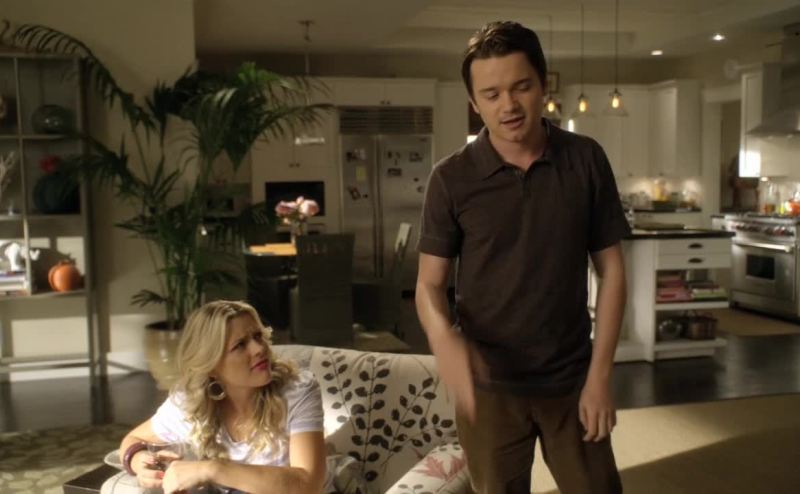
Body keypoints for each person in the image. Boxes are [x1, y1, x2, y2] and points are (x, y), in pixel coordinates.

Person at [415, 21, 629, 494]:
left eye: (521, 87)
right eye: (491, 95)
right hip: (489, 391)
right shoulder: (451, 178)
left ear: (543, 85)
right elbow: (429, 284)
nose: (508, 105)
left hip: (572, 378)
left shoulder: (586, 159)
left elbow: (612, 271)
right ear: (474, 103)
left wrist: (600, 377)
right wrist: (443, 336)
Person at [118, 300, 327, 494]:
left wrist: (211, 469)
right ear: (211, 365)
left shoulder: (297, 391)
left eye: (257, 336)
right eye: (240, 345)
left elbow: (309, 484)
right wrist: (140, 461)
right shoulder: (190, 401)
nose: (259, 349)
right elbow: (133, 440)